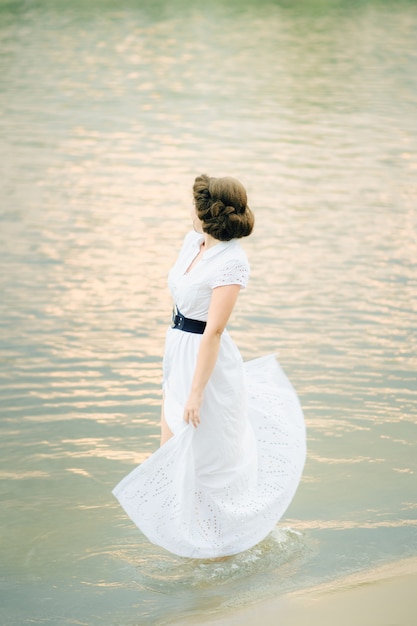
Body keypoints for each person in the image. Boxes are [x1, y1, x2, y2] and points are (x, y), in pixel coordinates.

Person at [112, 174, 306, 559]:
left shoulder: (233, 261)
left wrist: (196, 394)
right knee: (171, 457)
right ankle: (188, 550)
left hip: (207, 366)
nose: (191, 209)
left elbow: (214, 331)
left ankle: (224, 552)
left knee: (209, 462)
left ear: (206, 210)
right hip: (178, 353)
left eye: (195, 204)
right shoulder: (192, 243)